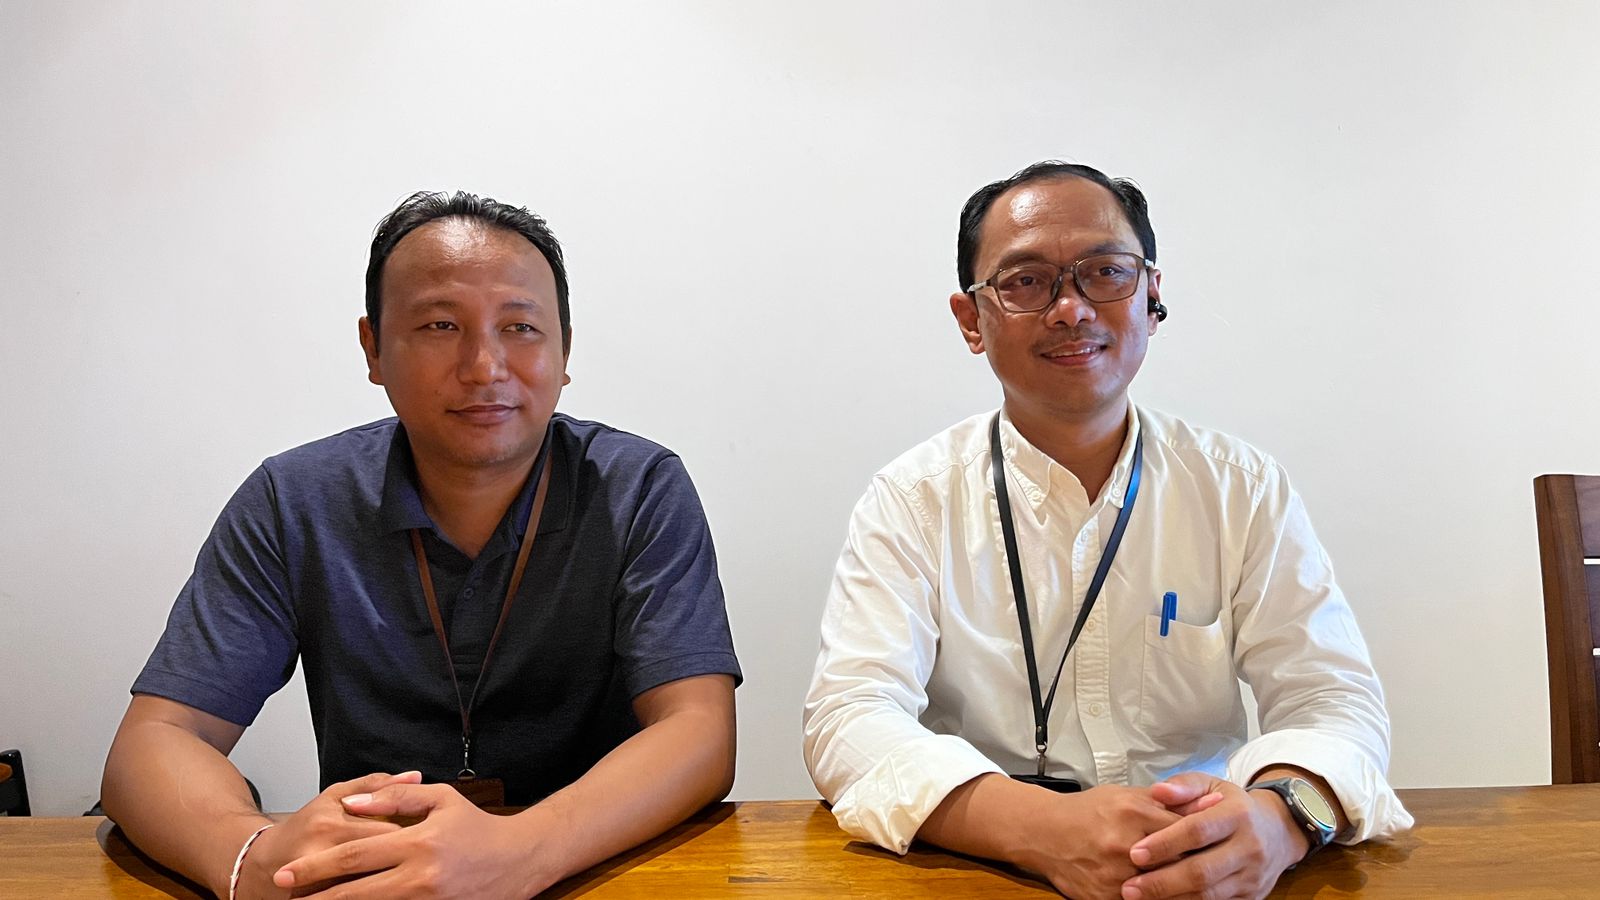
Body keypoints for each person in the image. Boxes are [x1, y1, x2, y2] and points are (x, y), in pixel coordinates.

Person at [102, 191, 741, 899]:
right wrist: (252, 860)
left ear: (565, 350)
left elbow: (699, 729)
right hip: (372, 880)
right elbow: (157, 740)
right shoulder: (295, 501)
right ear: (373, 348)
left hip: (589, 871)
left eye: (521, 327)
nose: (485, 366)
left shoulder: (638, 488)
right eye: (441, 325)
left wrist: (520, 853)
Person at [801, 161, 1411, 900]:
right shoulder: (913, 498)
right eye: (1027, 281)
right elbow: (849, 714)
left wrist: (1281, 820)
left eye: (1105, 273)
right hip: (992, 868)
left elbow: (1332, 700)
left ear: (1152, 297)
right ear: (971, 320)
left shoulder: (1241, 487)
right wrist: (1039, 828)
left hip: (1210, 866)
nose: (1070, 309)